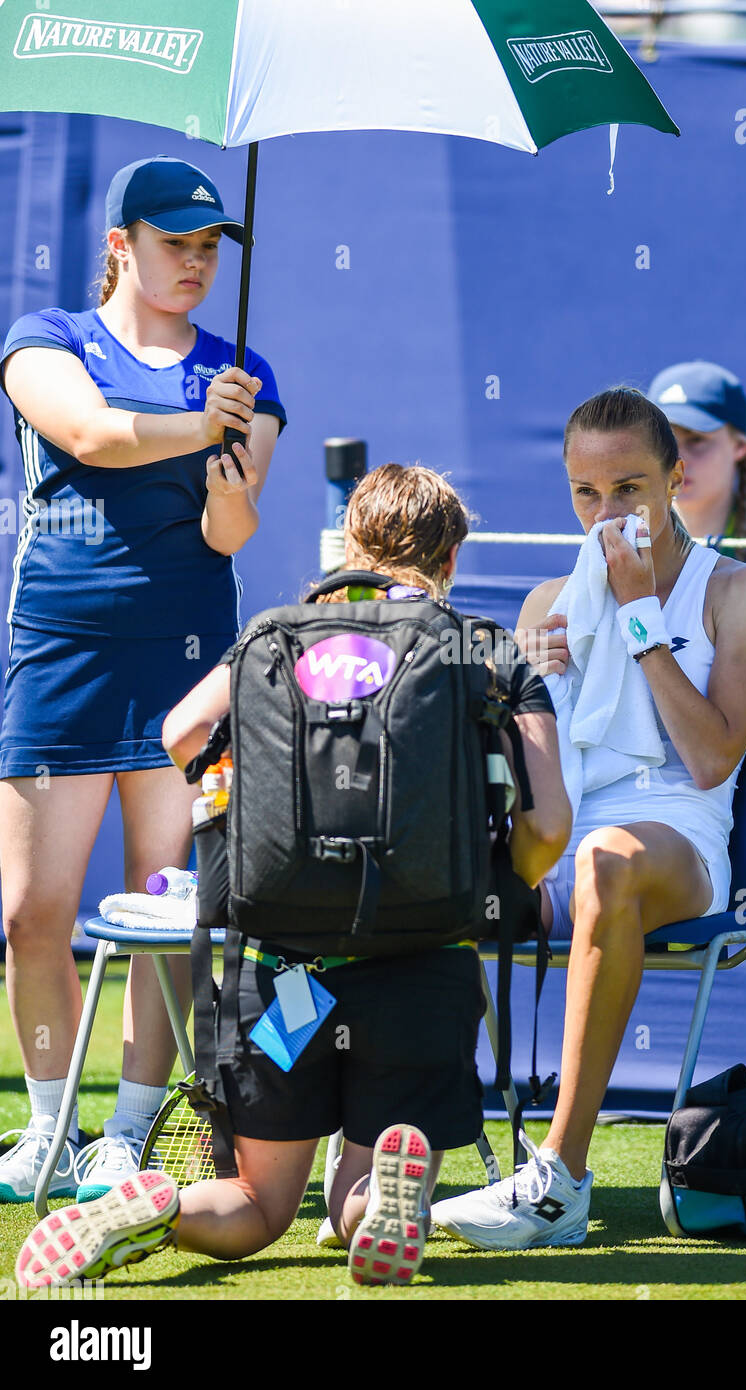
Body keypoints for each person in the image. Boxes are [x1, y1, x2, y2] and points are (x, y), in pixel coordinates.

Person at [15, 463, 572, 1291]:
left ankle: (162, 1203)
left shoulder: (275, 637)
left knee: (259, 1201)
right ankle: (389, 1184)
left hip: (276, 970)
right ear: (450, 560)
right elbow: (548, 826)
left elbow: (181, 732)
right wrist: (507, 876)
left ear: (349, 544)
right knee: (350, 1200)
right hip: (421, 964)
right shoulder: (484, 650)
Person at [429, 387, 746, 1250]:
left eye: (628, 488)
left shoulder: (743, 590)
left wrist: (637, 622)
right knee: (428, 878)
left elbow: (709, 760)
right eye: (587, 494)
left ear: (674, 479)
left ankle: (560, 1183)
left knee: (606, 864)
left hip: (679, 837)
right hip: (564, 830)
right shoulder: (549, 600)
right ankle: (387, 1161)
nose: (608, 512)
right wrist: (529, 699)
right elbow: (527, 781)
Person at [0, 156, 285, 1205]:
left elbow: (231, 531)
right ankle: (46, 1127)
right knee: (35, 910)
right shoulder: (45, 338)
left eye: (211, 246)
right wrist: (203, 423)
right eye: (177, 243)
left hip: (187, 670)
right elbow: (89, 434)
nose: (198, 262)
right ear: (121, 244)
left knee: (164, 914)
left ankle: (126, 1131)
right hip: (59, 657)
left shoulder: (243, 375)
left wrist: (236, 472)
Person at [647, 360, 746, 585]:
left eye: (696, 439)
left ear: (739, 448)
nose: (677, 459)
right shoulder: (623, 539)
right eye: (665, 439)